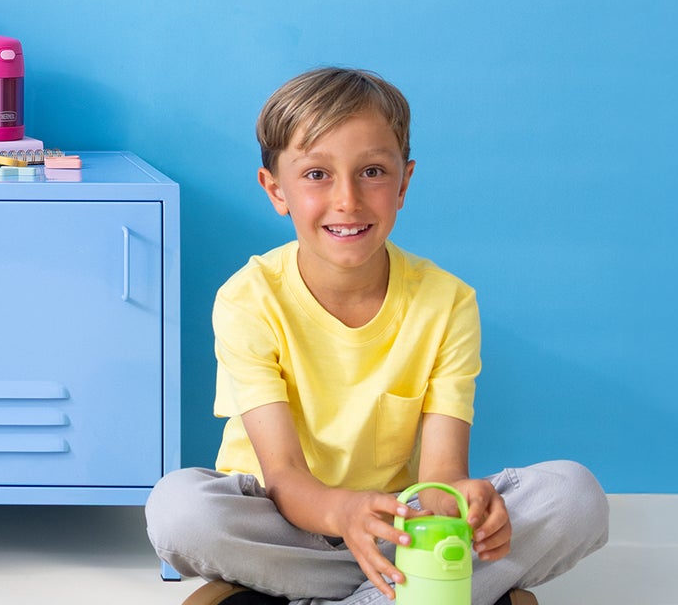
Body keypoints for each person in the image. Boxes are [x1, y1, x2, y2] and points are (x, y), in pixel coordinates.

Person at [146, 67, 608, 605]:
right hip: (282, 520)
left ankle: (302, 592)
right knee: (180, 508)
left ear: (403, 183)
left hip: (399, 528)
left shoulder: (447, 302)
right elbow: (284, 476)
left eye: (371, 171)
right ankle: (421, 593)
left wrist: (467, 506)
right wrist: (342, 512)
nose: (347, 199)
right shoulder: (248, 299)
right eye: (317, 174)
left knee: (575, 496)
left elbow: (441, 476)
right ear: (276, 189)